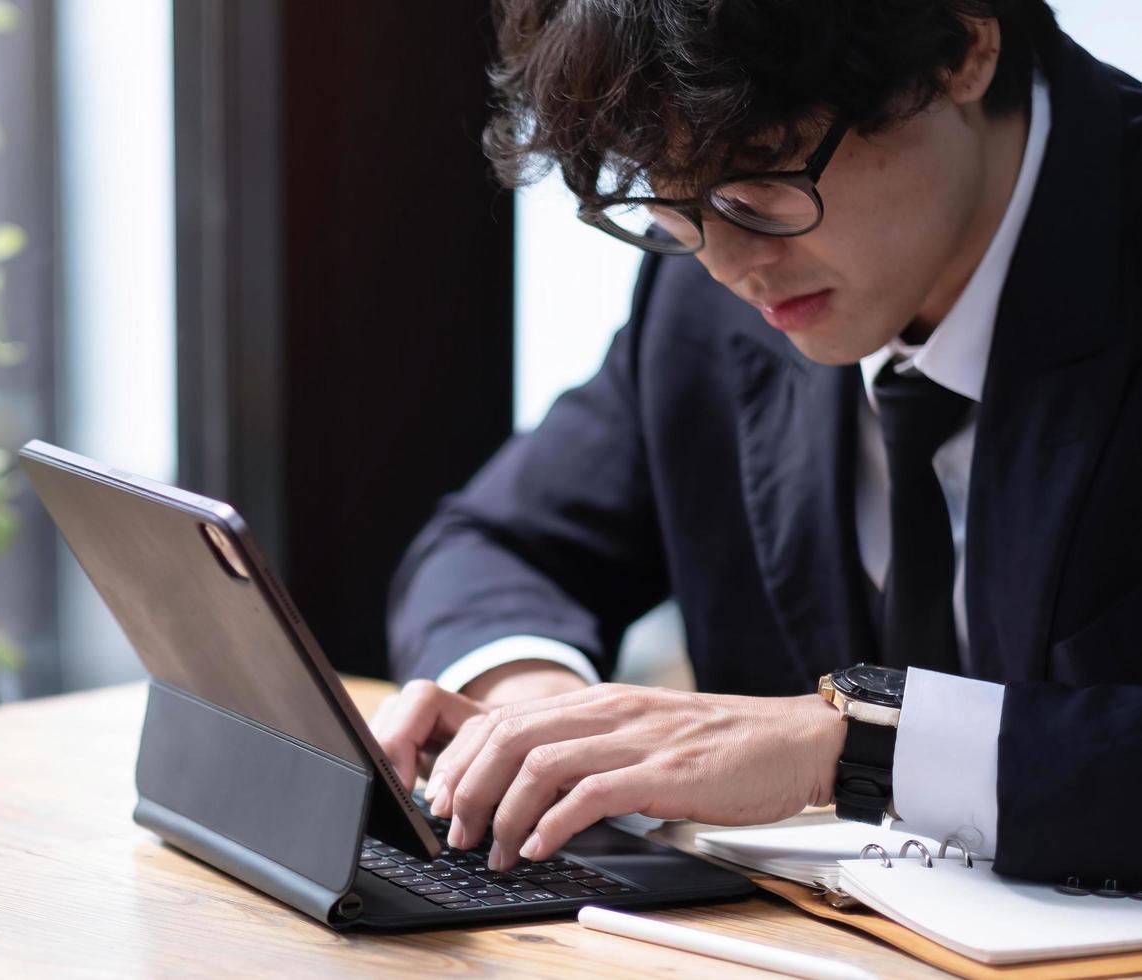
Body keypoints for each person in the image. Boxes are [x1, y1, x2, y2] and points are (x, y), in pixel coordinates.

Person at [374, 0, 1142, 886]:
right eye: (660, 186)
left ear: (961, 48)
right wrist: (545, 715)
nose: (726, 261)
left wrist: (852, 744)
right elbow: (494, 545)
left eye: (761, 166)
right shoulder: (713, 283)